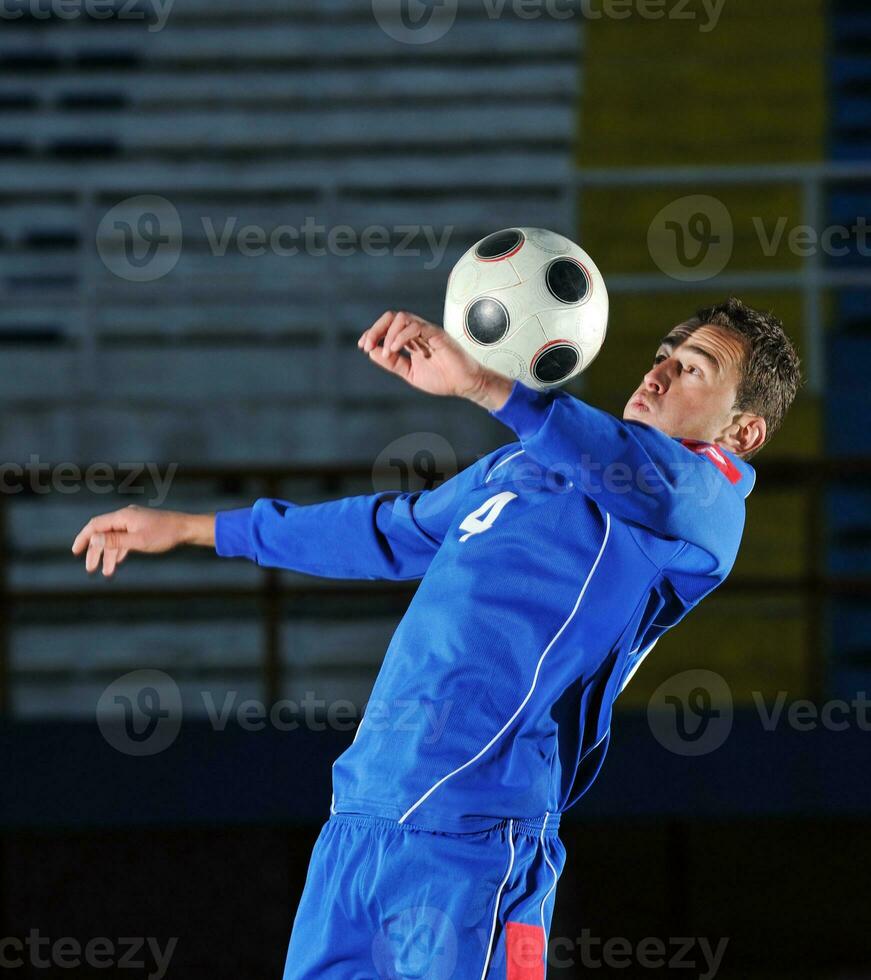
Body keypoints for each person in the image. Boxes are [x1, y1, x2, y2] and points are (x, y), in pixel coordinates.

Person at [72, 296, 801, 979]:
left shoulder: (701, 509)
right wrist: (199, 529)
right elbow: (390, 528)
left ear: (742, 431)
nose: (659, 370)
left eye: (691, 367)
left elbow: (629, 467)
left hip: (477, 834)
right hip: (362, 813)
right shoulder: (524, 464)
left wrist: (484, 384)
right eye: (663, 353)